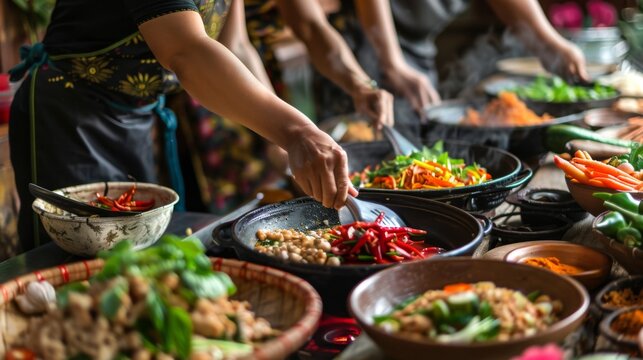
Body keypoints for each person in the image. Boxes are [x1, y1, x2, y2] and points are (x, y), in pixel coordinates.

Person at [9, 0, 358, 252]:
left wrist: (279, 141)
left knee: (128, 251)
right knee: (73, 264)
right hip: (70, 117)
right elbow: (185, 51)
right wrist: (296, 132)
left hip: (138, 115)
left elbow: (235, 46)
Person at [245, 0, 436, 141]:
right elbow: (235, 45)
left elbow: (311, 26)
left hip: (255, 66)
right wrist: (279, 130)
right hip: (226, 78)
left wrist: (362, 85)